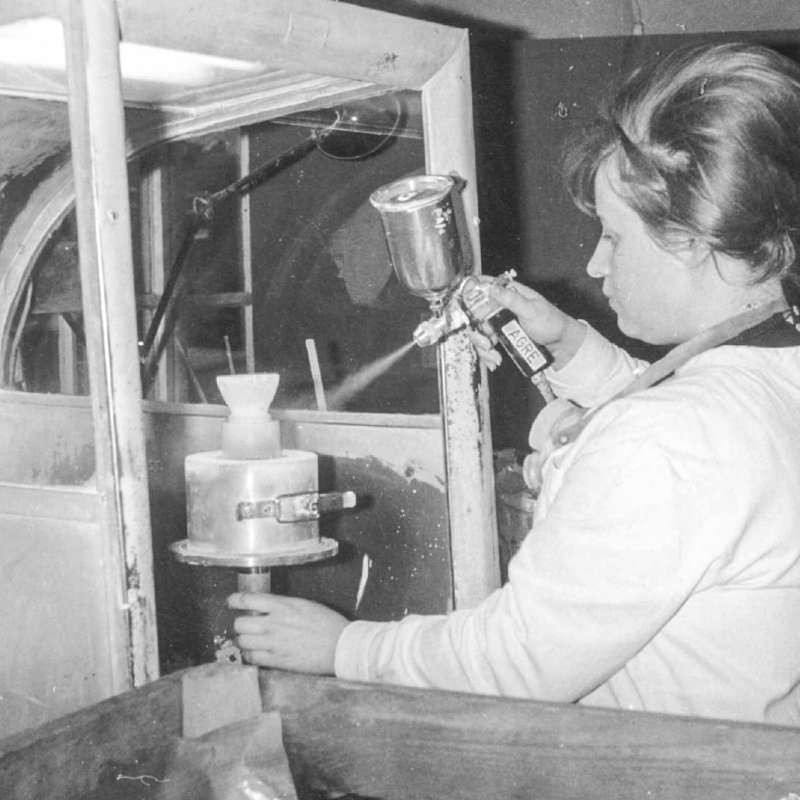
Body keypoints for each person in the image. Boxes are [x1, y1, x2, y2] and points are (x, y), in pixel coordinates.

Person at [228, 42, 800, 726]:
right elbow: (704, 429)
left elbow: (514, 665)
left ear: (692, 242)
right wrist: (574, 348)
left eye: (613, 237)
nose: (593, 264)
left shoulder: (668, 441)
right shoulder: (773, 369)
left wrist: (344, 647)